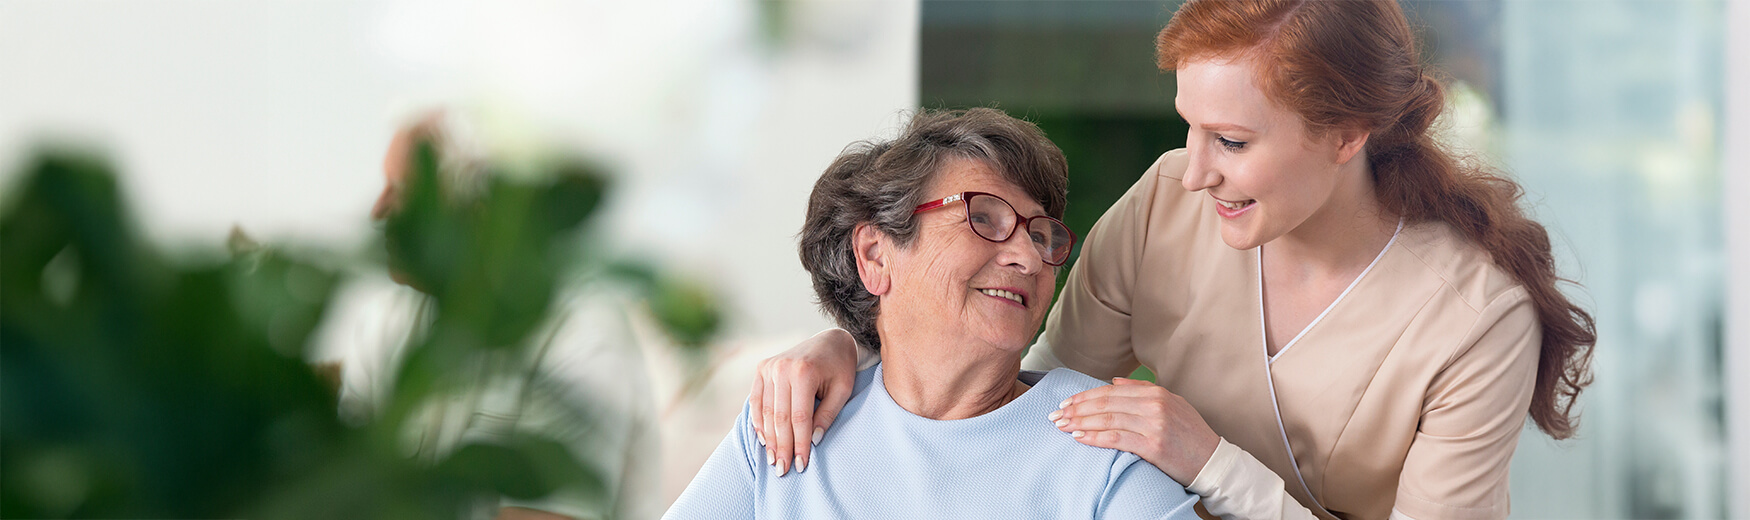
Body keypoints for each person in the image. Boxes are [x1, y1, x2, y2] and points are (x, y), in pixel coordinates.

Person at [745, 2, 1597, 519]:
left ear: (1346, 135)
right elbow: (1017, 393)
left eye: (1230, 140)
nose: (1193, 171)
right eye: (1187, 127)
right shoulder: (1168, 205)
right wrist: (857, 349)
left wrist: (1214, 464)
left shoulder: (1475, 320)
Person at [665, 108, 1201, 519]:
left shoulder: (1101, 452)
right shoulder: (787, 420)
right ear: (876, 255)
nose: (1028, 255)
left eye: (1040, 235)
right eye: (984, 217)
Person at [317, 114, 662, 520]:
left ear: (477, 203)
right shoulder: (392, 316)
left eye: (399, 191)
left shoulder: (583, 331)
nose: (378, 213)